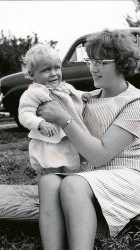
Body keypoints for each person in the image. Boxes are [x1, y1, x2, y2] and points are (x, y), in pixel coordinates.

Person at [37, 29, 140, 250]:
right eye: (90, 61)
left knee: (73, 184)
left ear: (122, 63)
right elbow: (56, 95)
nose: (92, 68)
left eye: (100, 62)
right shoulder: (89, 98)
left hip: (136, 177)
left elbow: (100, 154)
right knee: (49, 183)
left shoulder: (135, 102)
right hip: (99, 175)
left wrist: (63, 119)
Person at [18, 43, 86, 174]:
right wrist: (40, 123)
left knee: (68, 171)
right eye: (46, 70)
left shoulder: (65, 87)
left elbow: (77, 94)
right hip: (48, 142)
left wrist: (85, 95)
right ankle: (53, 189)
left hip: (66, 139)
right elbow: (24, 114)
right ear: (32, 75)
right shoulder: (34, 93)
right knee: (54, 173)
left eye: (57, 68)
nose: (53, 73)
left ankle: (66, 189)